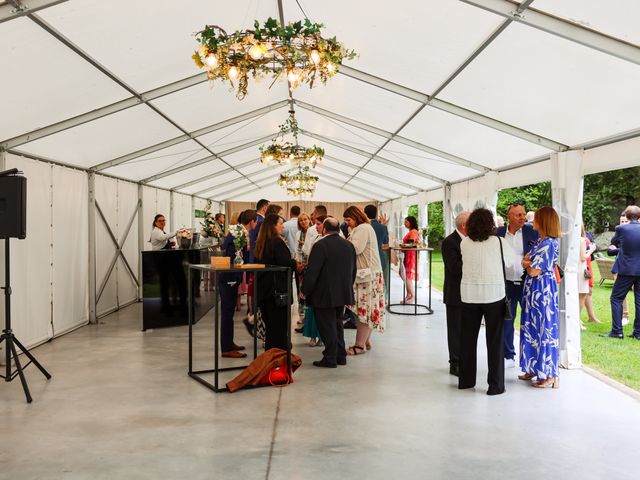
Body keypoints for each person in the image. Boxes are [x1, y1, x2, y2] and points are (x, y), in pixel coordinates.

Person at [459, 208, 509, 396]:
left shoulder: (465, 243)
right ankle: (495, 386)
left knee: (467, 340)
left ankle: (466, 380)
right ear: (491, 224)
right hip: (494, 294)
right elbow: (511, 264)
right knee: (494, 341)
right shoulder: (499, 242)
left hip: (469, 294)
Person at [303, 217, 357, 368]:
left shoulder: (320, 245)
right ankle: (341, 356)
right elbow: (353, 270)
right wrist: (348, 287)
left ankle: (330, 357)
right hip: (343, 291)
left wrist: (305, 290)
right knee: (337, 324)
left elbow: (313, 272)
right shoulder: (348, 245)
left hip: (324, 293)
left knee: (327, 326)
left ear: (324, 229)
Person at [519, 206, 561, 388]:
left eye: (535, 218)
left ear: (543, 221)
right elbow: (525, 260)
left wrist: (528, 265)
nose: (532, 221)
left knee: (544, 329)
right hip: (533, 290)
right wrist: (528, 264)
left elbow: (533, 270)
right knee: (531, 328)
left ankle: (548, 374)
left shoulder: (549, 243)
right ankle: (532, 367)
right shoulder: (538, 241)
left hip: (543, 292)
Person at [496, 201, 539, 368]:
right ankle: (508, 355)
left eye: (523, 214)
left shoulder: (532, 231)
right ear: (509, 217)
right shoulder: (498, 233)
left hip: (526, 283)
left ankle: (531, 357)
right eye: (518, 215)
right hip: (505, 284)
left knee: (529, 320)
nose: (522, 217)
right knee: (507, 320)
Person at [344, 206, 385, 355]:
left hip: (366, 276)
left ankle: (359, 345)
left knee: (363, 311)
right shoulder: (365, 227)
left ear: (356, 217)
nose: (348, 223)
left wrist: (342, 240)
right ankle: (365, 339)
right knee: (366, 310)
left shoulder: (362, 228)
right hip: (369, 275)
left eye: (349, 220)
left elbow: (355, 249)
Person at [254, 214, 297, 350]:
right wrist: (295, 263)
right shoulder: (276, 242)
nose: (282, 226)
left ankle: (272, 355)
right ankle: (277, 358)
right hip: (276, 292)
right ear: (273, 226)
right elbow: (285, 263)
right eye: (280, 223)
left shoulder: (261, 242)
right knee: (278, 328)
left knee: (271, 327)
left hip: (264, 290)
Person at [219, 210, 257, 358]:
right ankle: (226, 349)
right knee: (227, 312)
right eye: (255, 222)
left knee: (229, 312)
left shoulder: (239, 232)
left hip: (233, 275)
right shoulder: (238, 233)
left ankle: (229, 343)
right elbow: (227, 247)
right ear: (252, 221)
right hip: (229, 275)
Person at [601, 205, 640, 340]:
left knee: (616, 298)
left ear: (627, 217)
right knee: (639, 301)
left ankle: (617, 331)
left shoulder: (621, 229)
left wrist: (620, 248)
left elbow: (613, 243)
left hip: (627, 269)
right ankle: (638, 333)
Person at [441, 211, 470, 377]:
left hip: (470, 293)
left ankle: (465, 360)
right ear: (464, 225)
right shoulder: (449, 242)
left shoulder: (472, 241)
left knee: (466, 329)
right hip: (455, 294)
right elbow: (454, 267)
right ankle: (455, 363)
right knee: (455, 329)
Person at [608, 213, 632, 326]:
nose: (622, 224)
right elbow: (609, 250)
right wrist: (620, 249)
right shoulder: (619, 233)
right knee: (621, 294)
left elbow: (617, 249)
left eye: (625, 221)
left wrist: (617, 249)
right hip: (620, 266)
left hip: (634, 268)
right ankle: (625, 316)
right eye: (621, 221)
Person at [365, 204, 390, 301]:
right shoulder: (382, 227)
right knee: (380, 281)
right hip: (379, 256)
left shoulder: (364, 226)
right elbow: (385, 242)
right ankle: (381, 300)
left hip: (366, 258)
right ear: (375, 214)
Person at [578, 225, 600, 329]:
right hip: (583, 267)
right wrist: (591, 250)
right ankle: (576, 319)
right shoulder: (581, 239)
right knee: (582, 293)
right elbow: (583, 257)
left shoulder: (583, 237)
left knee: (585, 292)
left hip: (585, 266)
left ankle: (590, 316)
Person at [400, 216, 420, 304]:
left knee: (407, 276)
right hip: (407, 254)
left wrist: (402, 245)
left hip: (410, 255)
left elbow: (410, 243)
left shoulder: (413, 231)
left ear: (411, 222)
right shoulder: (411, 231)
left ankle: (412, 296)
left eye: (406, 222)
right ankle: (409, 294)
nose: (405, 223)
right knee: (404, 274)